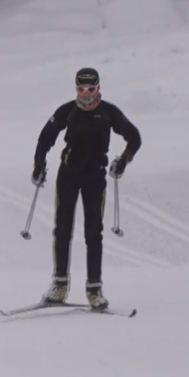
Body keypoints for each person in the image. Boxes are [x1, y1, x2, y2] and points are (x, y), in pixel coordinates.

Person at [31, 67, 141, 309]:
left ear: (98, 88)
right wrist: (39, 162)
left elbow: (135, 137)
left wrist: (123, 160)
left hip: (95, 176)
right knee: (62, 228)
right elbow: (46, 137)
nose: (86, 95)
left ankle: (94, 289)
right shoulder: (67, 111)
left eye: (91, 90)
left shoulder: (108, 112)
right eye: (81, 90)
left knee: (93, 232)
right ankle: (59, 286)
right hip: (69, 173)